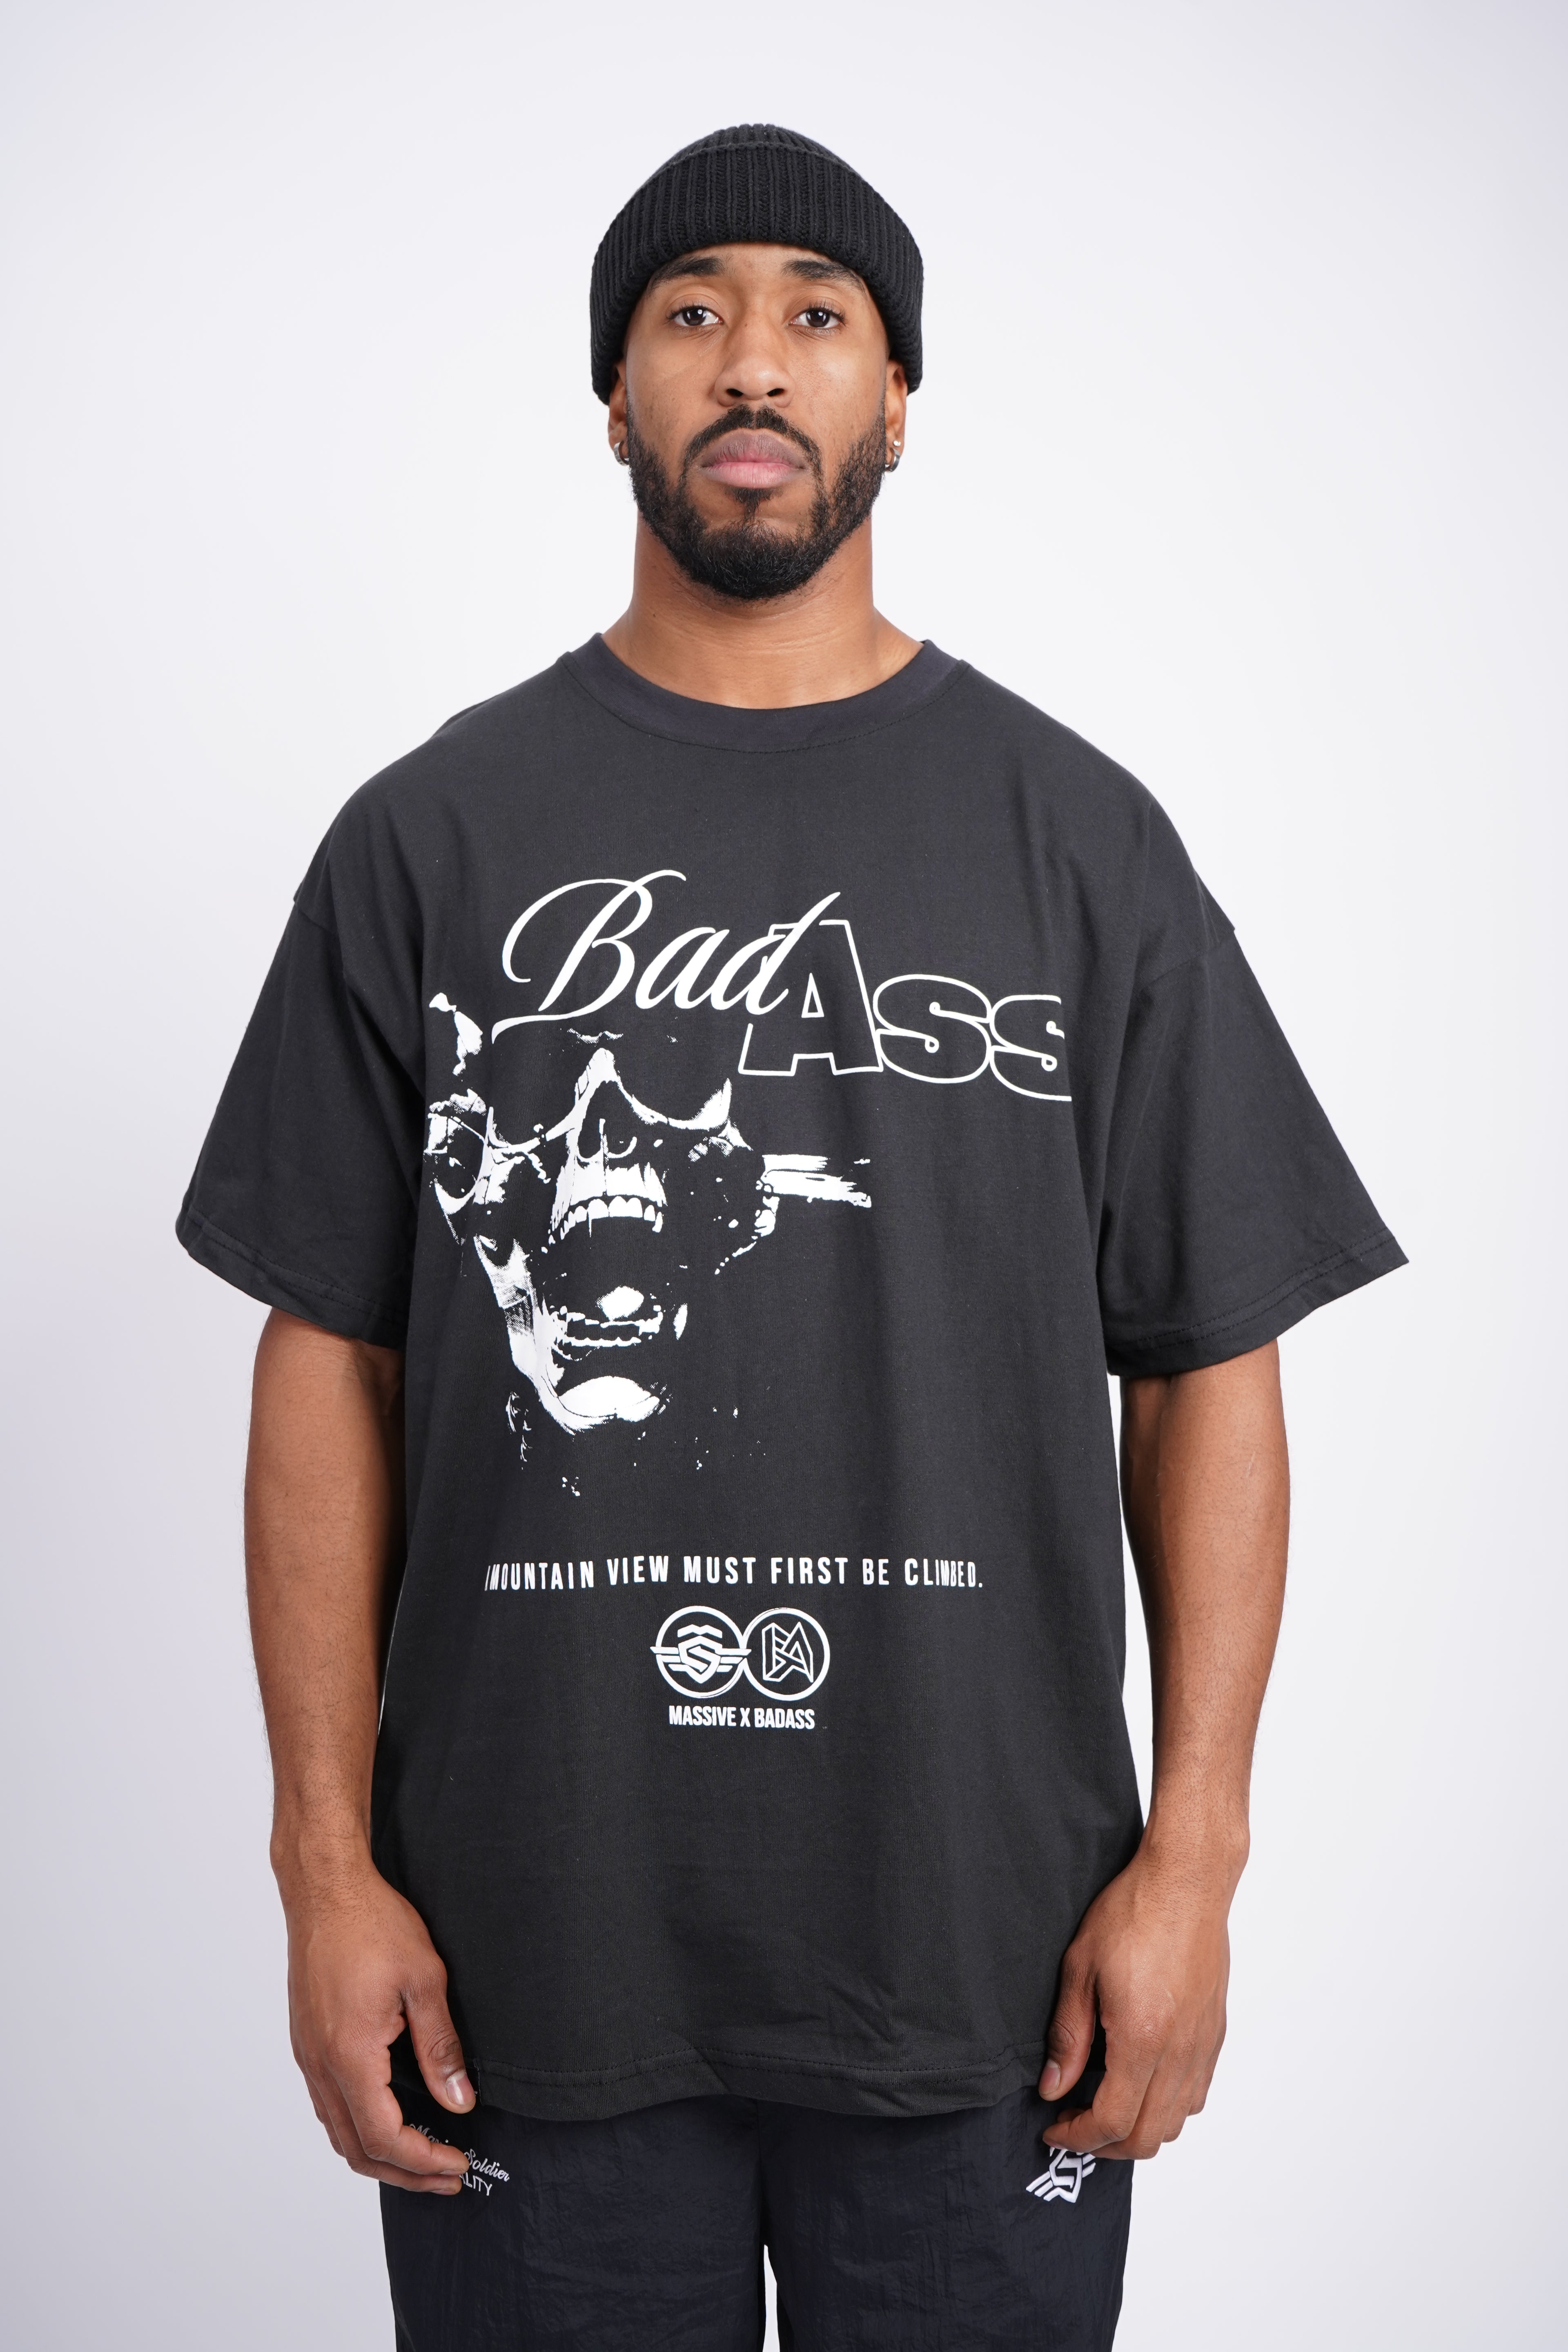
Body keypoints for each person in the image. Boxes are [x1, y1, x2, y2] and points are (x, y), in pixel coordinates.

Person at [179, 123, 1404, 2350]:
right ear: (616, 398)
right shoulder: (429, 837)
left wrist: (1197, 1861)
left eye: (819, 316)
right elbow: (327, 1363)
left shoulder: (1078, 841)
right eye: (693, 313)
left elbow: (1208, 1358)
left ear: (898, 400)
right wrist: (322, 1870)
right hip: (525, 1961)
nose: (755, 359)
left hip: (990, 1966)